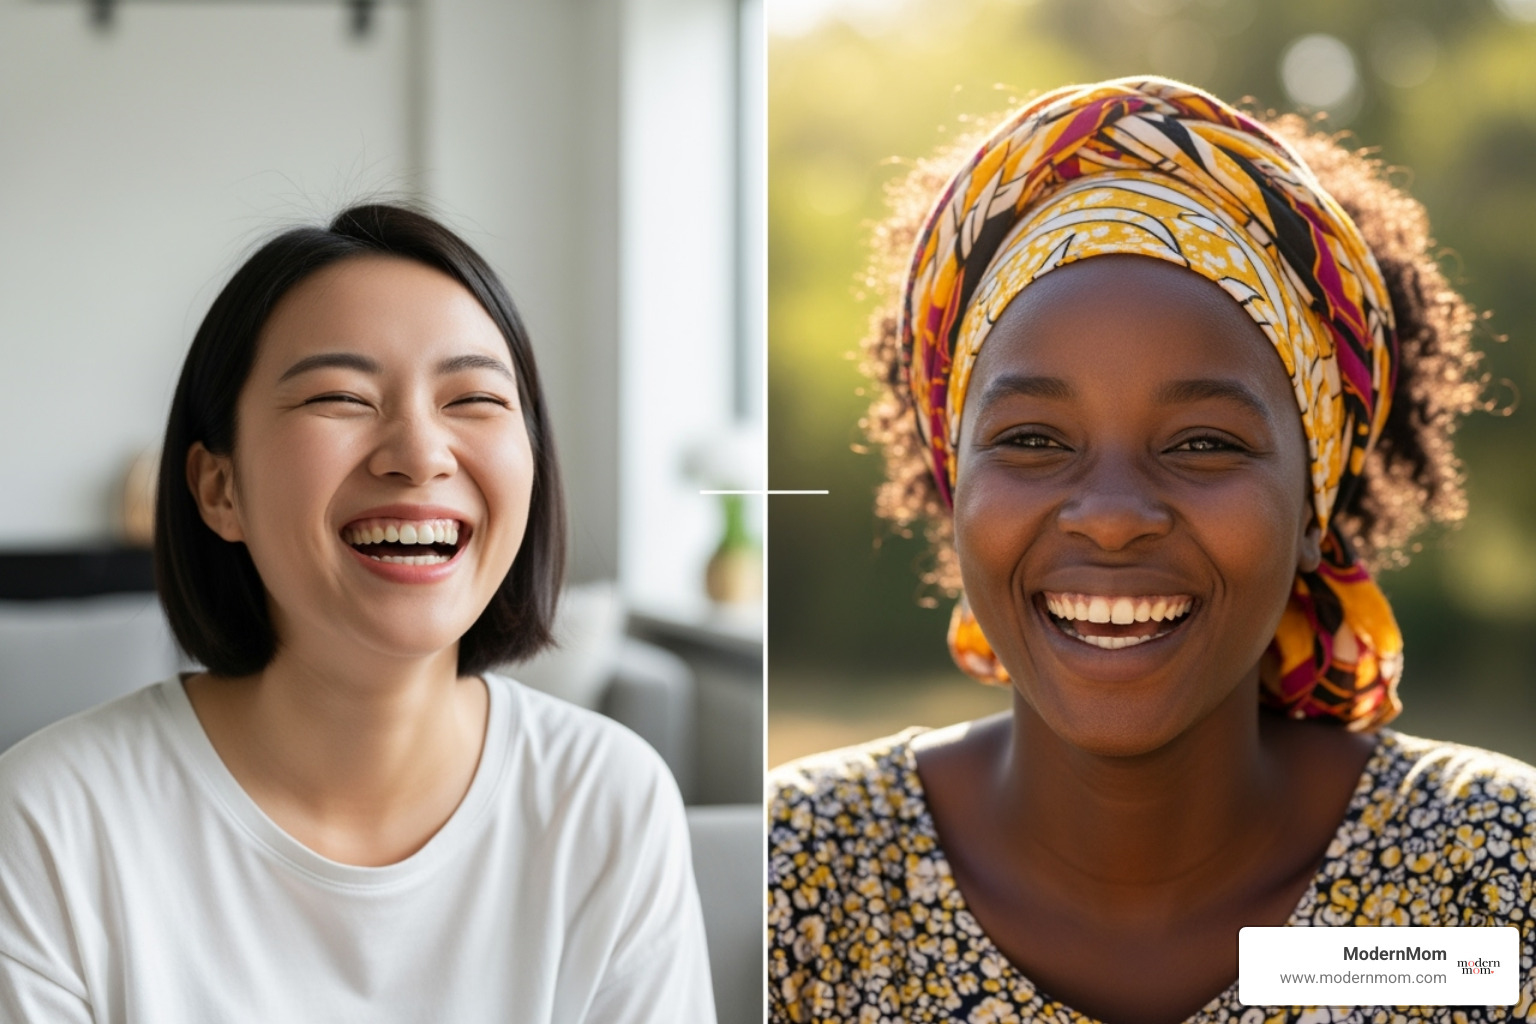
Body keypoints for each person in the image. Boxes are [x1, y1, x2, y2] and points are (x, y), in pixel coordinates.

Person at [767, 77, 1536, 1023]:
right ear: (954, 484)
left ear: (1312, 506)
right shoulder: (806, 876)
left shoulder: (1485, 883)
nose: (1112, 516)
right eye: (1033, 439)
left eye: (1203, 444)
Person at [0, 204, 716, 1023]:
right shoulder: (52, 823)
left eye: (474, 398)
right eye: (341, 397)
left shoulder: (607, 802)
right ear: (219, 488)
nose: (419, 454)